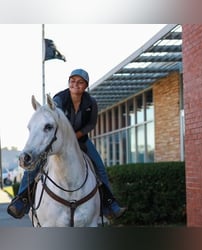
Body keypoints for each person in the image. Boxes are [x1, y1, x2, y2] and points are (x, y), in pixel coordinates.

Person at [7, 69, 127, 220]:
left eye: (80, 82)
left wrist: (77, 135)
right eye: (72, 81)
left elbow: (91, 124)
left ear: (85, 86)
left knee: (99, 167)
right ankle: (21, 200)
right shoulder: (60, 99)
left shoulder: (91, 102)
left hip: (81, 141)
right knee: (34, 167)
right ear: (69, 83)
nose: (75, 84)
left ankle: (109, 204)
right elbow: (53, 110)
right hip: (60, 141)